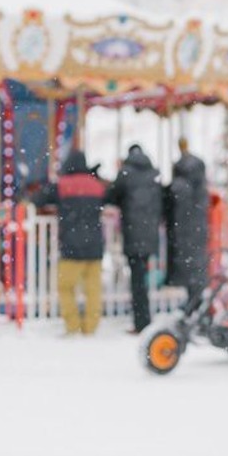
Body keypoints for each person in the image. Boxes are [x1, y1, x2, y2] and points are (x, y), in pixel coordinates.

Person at [32, 149, 106, 335]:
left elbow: (38, 199)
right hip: (95, 245)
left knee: (65, 287)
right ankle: (90, 327)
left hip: (72, 245)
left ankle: (72, 325)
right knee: (93, 290)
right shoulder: (96, 185)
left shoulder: (63, 185)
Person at [105, 144, 162, 334]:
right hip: (150, 233)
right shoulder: (154, 174)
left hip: (133, 233)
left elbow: (112, 195)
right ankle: (144, 318)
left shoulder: (126, 173)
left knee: (137, 280)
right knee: (142, 278)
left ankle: (142, 322)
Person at [164, 137, 209, 307]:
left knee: (189, 262)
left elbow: (177, 205)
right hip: (195, 226)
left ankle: (193, 299)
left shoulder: (181, 185)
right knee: (195, 262)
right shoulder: (198, 185)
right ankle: (196, 298)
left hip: (185, 228)